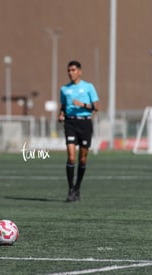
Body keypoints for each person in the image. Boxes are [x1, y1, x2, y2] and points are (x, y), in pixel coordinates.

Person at [58, 60, 99, 202]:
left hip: (85, 123)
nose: (71, 73)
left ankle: (77, 188)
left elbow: (96, 106)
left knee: (82, 158)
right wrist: (61, 113)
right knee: (71, 157)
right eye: (69, 70)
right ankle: (70, 189)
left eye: (73, 70)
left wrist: (82, 104)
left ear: (80, 71)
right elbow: (63, 105)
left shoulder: (88, 87)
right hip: (70, 123)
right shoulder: (64, 89)